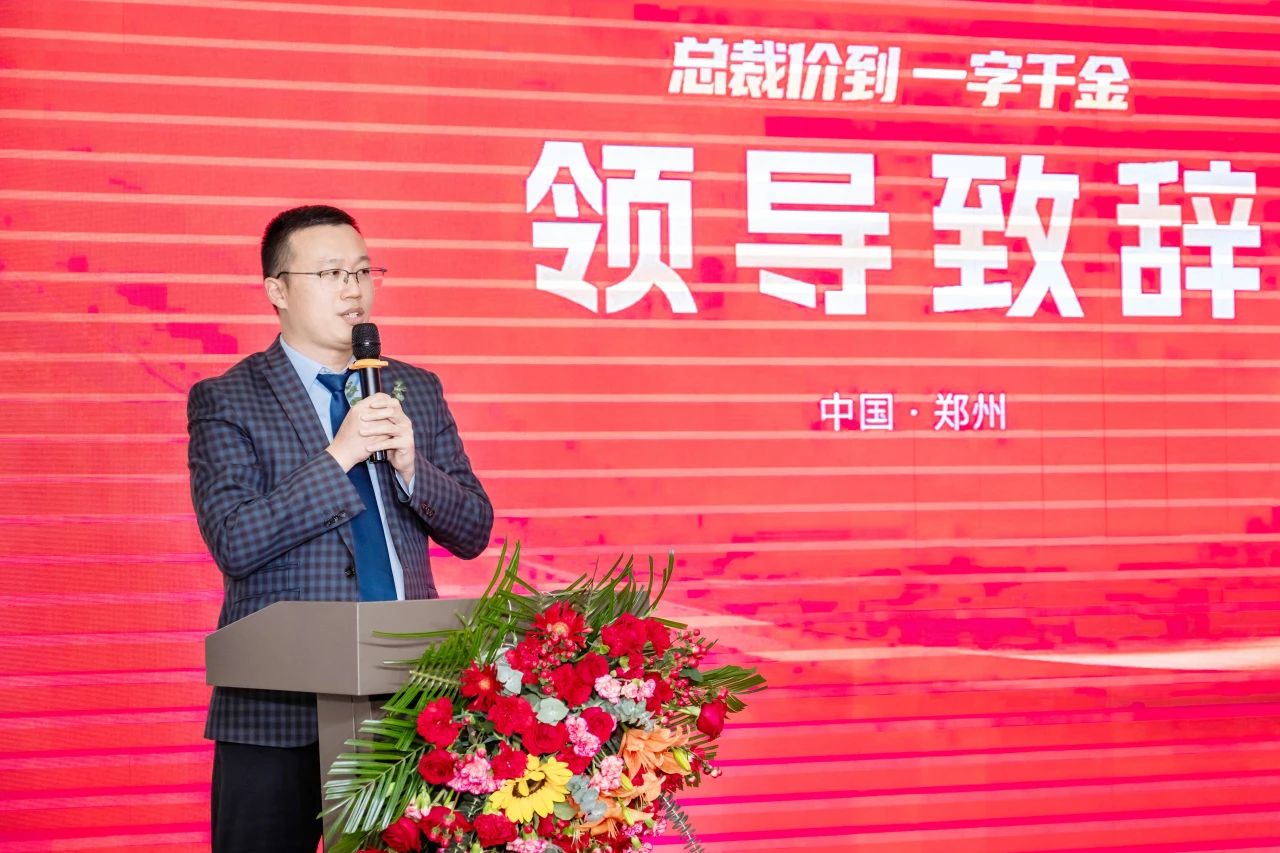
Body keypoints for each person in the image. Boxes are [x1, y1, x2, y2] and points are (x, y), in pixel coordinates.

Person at [187, 205, 493, 853]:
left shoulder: (414, 389)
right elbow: (235, 539)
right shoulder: (228, 398)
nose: (353, 288)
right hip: (275, 708)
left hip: (407, 703)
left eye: (362, 271)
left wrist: (412, 468)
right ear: (277, 290)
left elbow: (473, 529)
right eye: (330, 273)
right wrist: (340, 455)